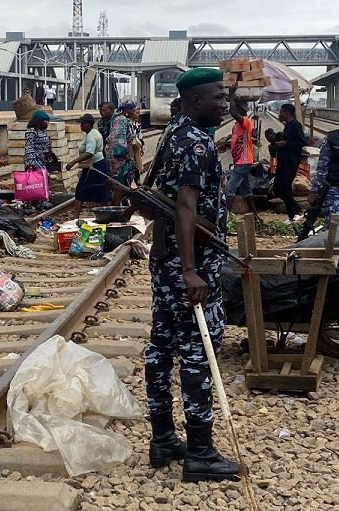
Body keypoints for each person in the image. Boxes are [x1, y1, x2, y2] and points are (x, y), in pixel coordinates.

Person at [143, 68, 238, 482]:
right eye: (218, 98)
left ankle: (163, 439)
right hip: (190, 263)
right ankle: (200, 452)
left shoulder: (174, 133)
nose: (225, 104)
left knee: (161, 347)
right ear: (196, 101)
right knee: (199, 352)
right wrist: (190, 270)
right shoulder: (196, 144)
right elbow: (185, 206)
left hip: (165, 262)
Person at [66, 113, 111, 218]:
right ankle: (105, 213)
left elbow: (89, 153)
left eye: (82, 123)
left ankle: (76, 215)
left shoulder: (91, 136)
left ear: (88, 124)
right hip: (96, 165)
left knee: (81, 189)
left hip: (94, 166)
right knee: (100, 189)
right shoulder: (93, 133)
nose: (81, 126)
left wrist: (73, 162)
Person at [225, 98, 260, 223]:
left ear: (241, 109)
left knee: (230, 189)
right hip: (241, 160)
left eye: (237, 108)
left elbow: (233, 113)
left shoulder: (245, 121)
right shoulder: (239, 124)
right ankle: (255, 215)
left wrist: (231, 94)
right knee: (246, 189)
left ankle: (225, 218)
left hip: (243, 161)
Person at [274, 103, 307, 222]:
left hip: (291, 162)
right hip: (283, 161)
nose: (279, 114)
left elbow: (303, 142)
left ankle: (296, 211)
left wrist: (286, 144)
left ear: (287, 113)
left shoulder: (295, 126)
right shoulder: (288, 125)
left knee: (282, 187)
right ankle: (292, 214)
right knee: (279, 187)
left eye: (281, 112)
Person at [107, 100, 138, 203]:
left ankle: (125, 203)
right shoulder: (121, 119)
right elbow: (118, 140)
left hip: (119, 156)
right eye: (133, 110)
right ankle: (116, 206)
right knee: (120, 182)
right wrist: (127, 155)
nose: (134, 112)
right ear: (127, 110)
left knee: (128, 180)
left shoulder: (118, 118)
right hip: (119, 157)